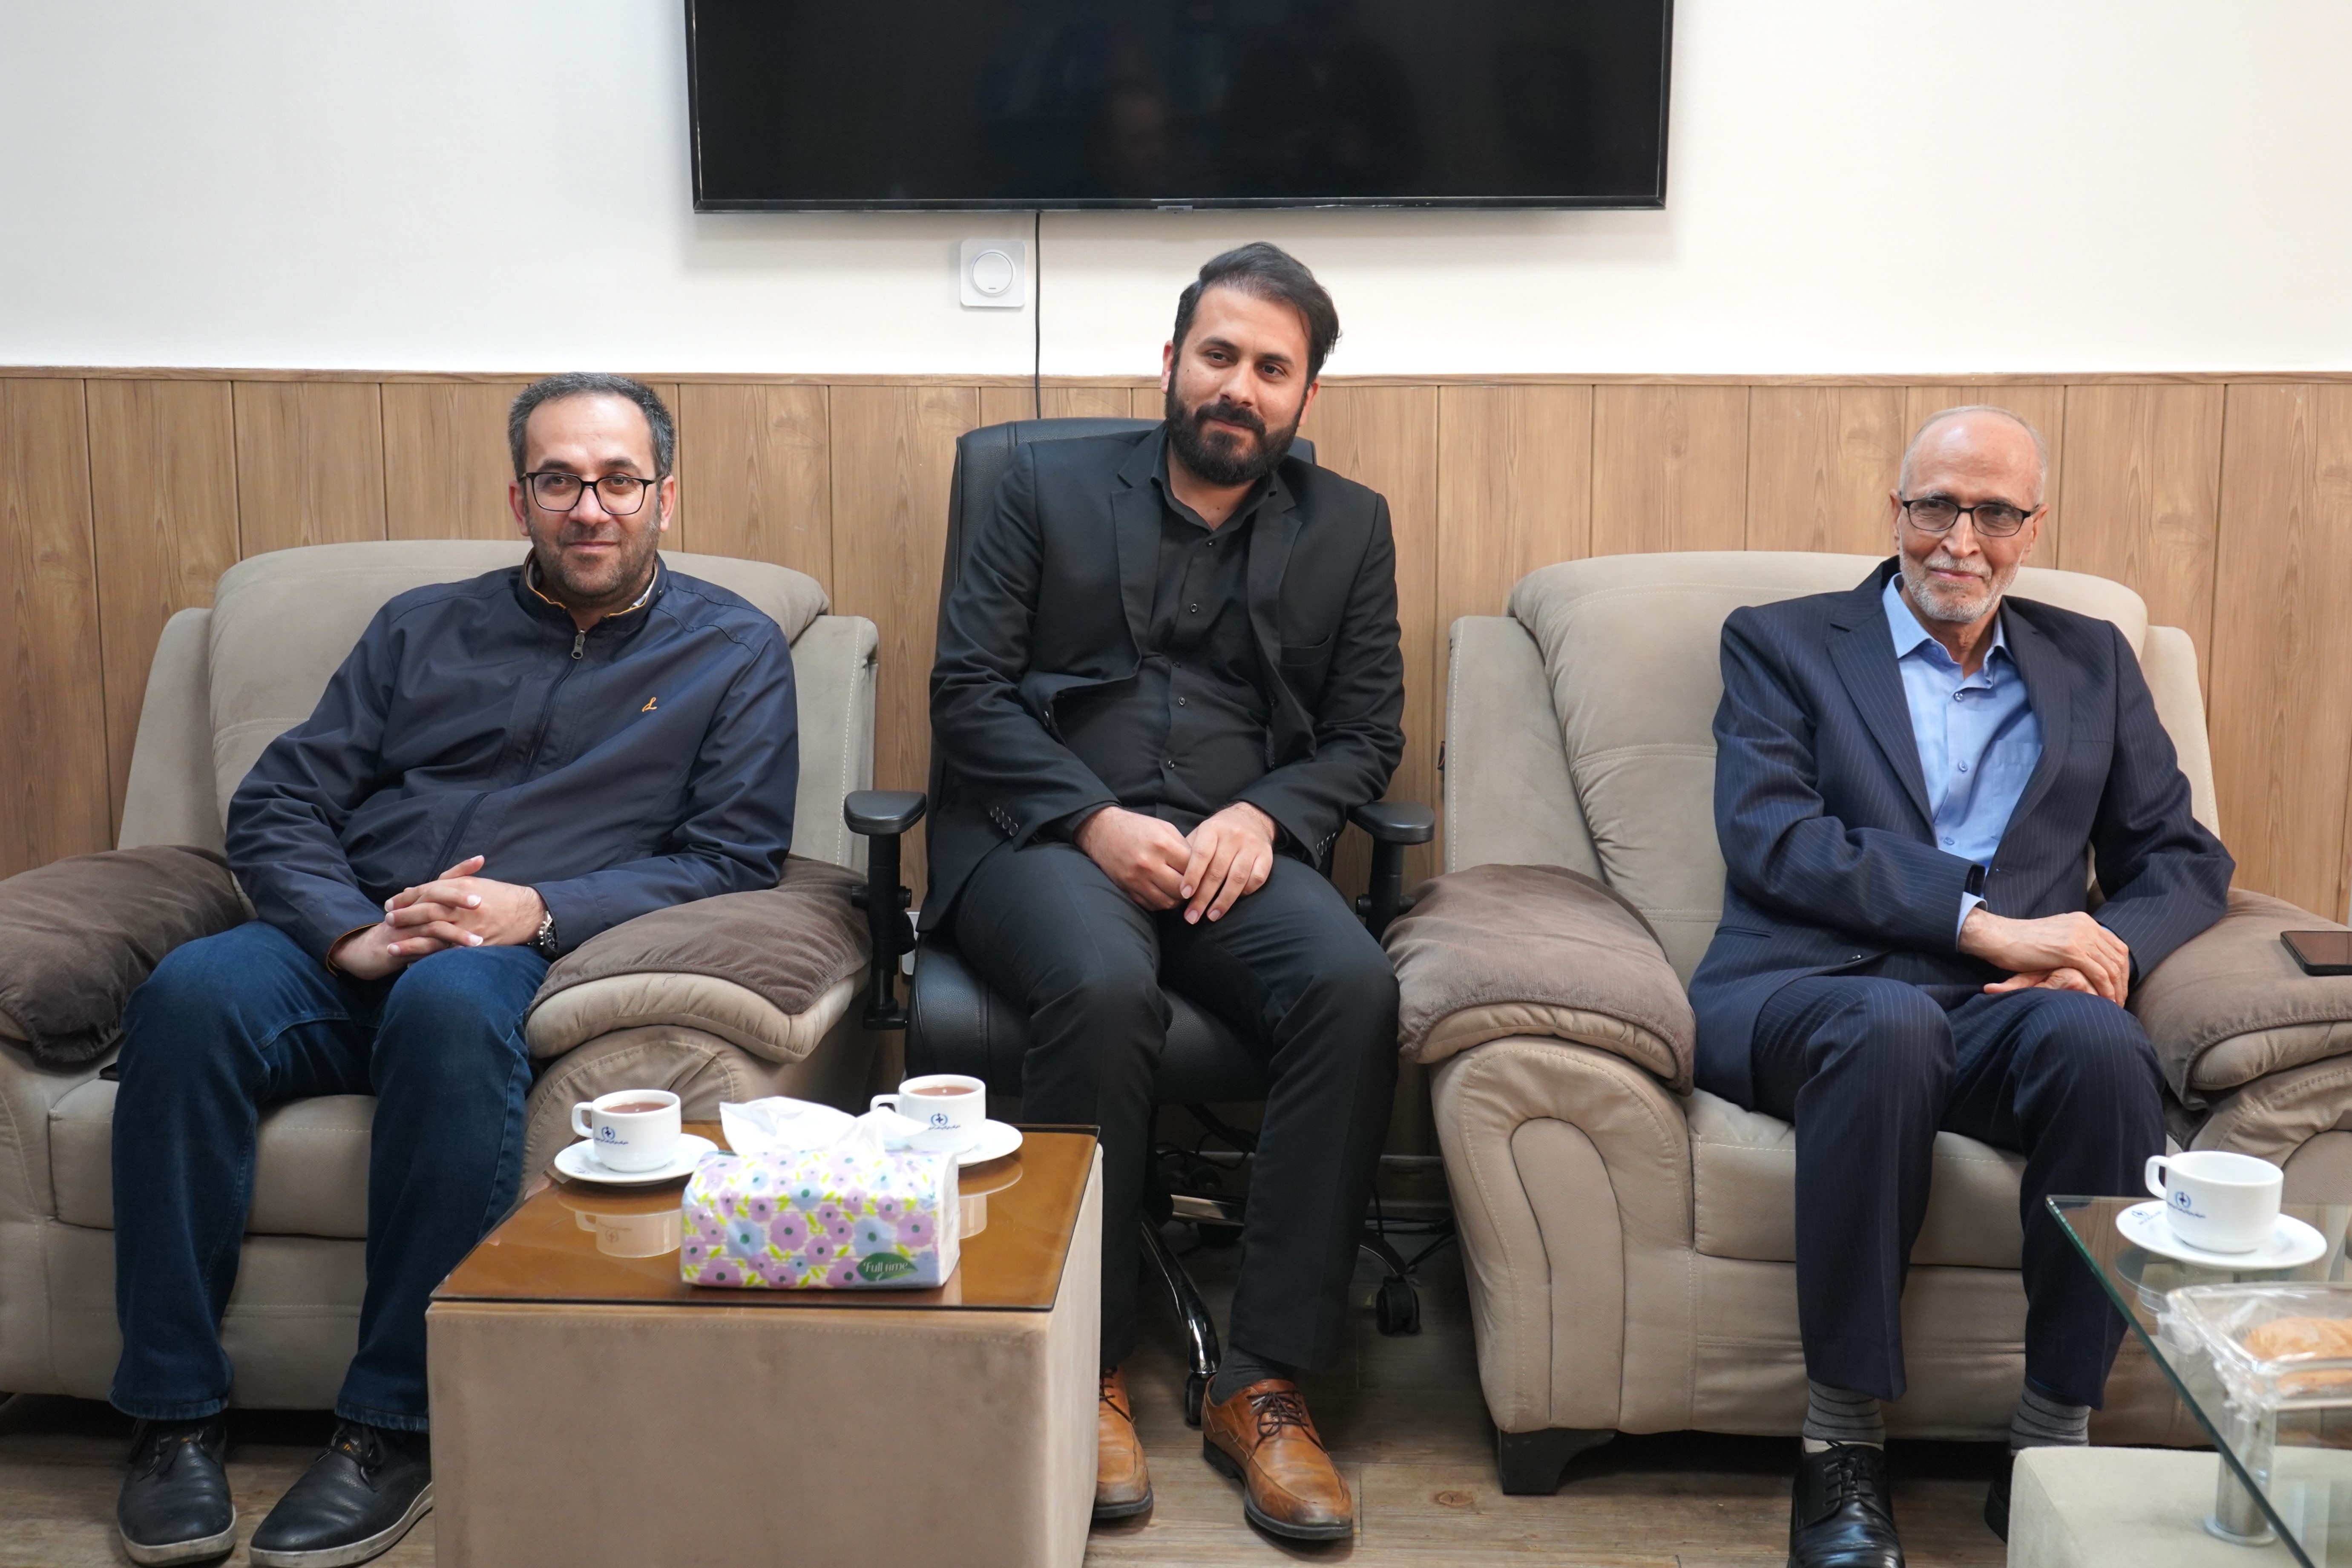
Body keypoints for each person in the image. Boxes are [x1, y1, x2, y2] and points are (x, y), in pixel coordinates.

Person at [107, 374, 799, 1567]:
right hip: (354, 936)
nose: (591, 507)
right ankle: (171, 1416)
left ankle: (393, 1426)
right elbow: (279, 802)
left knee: (446, 1000)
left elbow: (732, 856)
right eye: (560, 481)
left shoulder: (733, 651)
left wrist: (539, 908)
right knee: (190, 991)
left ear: (664, 496)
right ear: (520, 497)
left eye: (619, 481)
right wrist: (347, 931)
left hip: (520, 956)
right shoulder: (419, 627)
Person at [1688, 406, 2233, 1567]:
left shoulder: (2093, 660)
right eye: (1936, 506)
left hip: (2004, 1018)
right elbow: (1771, 836)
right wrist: (1989, 928)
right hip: (1812, 985)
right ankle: (1839, 1442)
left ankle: (2051, 1442)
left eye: (1993, 513)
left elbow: (2181, 858)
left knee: (2104, 1047)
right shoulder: (1781, 642)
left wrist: (2096, 954)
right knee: (1888, 1025)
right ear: (1896, 510)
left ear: (2032, 526)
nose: (1960, 540)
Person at [930, 242, 1405, 1542]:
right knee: (1099, 982)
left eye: (1271, 368)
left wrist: (1266, 816)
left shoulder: (1348, 524)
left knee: (1353, 987)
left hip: (1231, 851)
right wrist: (1093, 820)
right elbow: (966, 693)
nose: (1238, 386)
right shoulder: (1037, 487)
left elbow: (1364, 733)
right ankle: (1081, 1367)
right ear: (1170, 360)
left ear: (1305, 393)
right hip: (1044, 832)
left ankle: (1263, 1382)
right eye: (1218, 354)